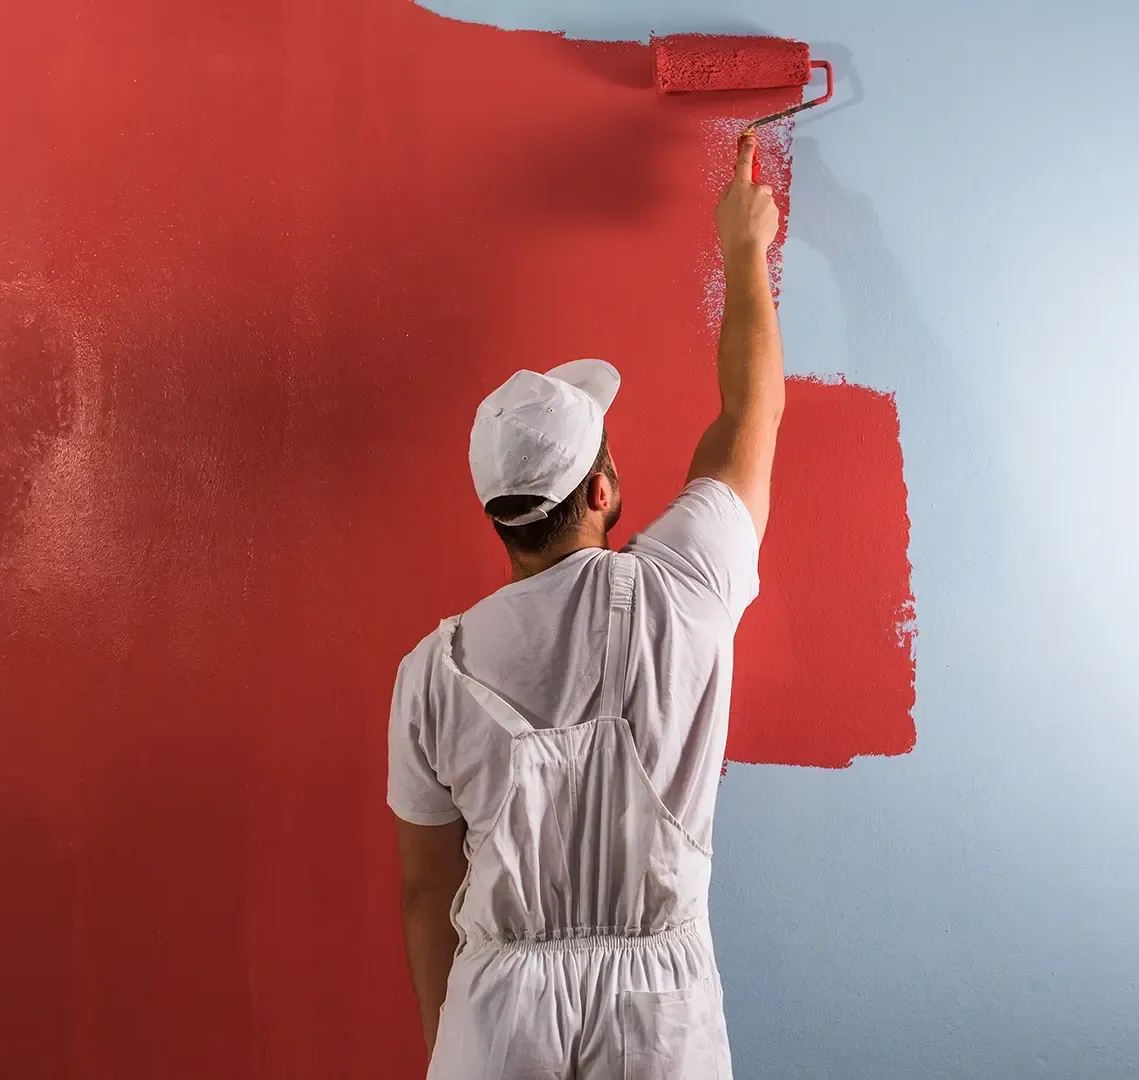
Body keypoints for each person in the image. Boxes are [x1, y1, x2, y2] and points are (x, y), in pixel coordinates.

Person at [387, 134, 783, 1079]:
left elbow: (422, 891)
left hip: (494, 1012)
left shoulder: (430, 673)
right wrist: (741, 251)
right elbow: (748, 416)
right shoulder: (681, 586)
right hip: (660, 1012)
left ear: (497, 516)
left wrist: (463, 1040)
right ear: (601, 490)